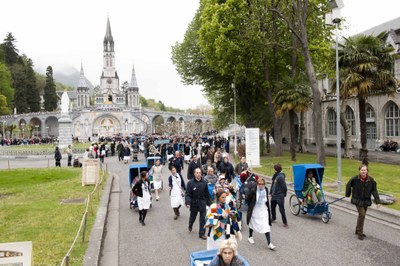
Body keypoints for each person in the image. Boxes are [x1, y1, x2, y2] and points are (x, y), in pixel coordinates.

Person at [346, 164, 381, 240]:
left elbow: (374, 191)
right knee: (362, 214)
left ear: (367, 171)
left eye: (365, 170)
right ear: (359, 171)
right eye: (362, 170)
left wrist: (378, 202)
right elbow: (348, 185)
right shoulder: (355, 179)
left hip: (366, 200)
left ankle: (357, 230)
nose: (363, 171)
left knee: (361, 215)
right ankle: (360, 233)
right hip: (357, 200)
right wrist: (347, 194)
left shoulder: (371, 180)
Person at [246, 178, 275, 250]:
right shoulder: (253, 190)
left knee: (266, 225)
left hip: (263, 209)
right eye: (260, 184)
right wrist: (251, 206)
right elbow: (247, 199)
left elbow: (267, 200)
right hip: (255, 209)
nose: (261, 186)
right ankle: (250, 237)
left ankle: (269, 243)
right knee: (252, 223)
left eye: (262, 184)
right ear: (257, 184)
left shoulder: (266, 190)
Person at [185, 168, 211, 240]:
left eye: (200, 173)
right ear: (194, 174)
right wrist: (188, 202)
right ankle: (190, 225)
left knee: (203, 219)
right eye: (197, 173)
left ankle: (202, 233)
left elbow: (207, 194)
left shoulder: (204, 182)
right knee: (192, 217)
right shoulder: (190, 183)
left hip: (202, 203)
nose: (198, 174)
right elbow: (187, 194)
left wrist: (209, 204)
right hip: (194, 203)